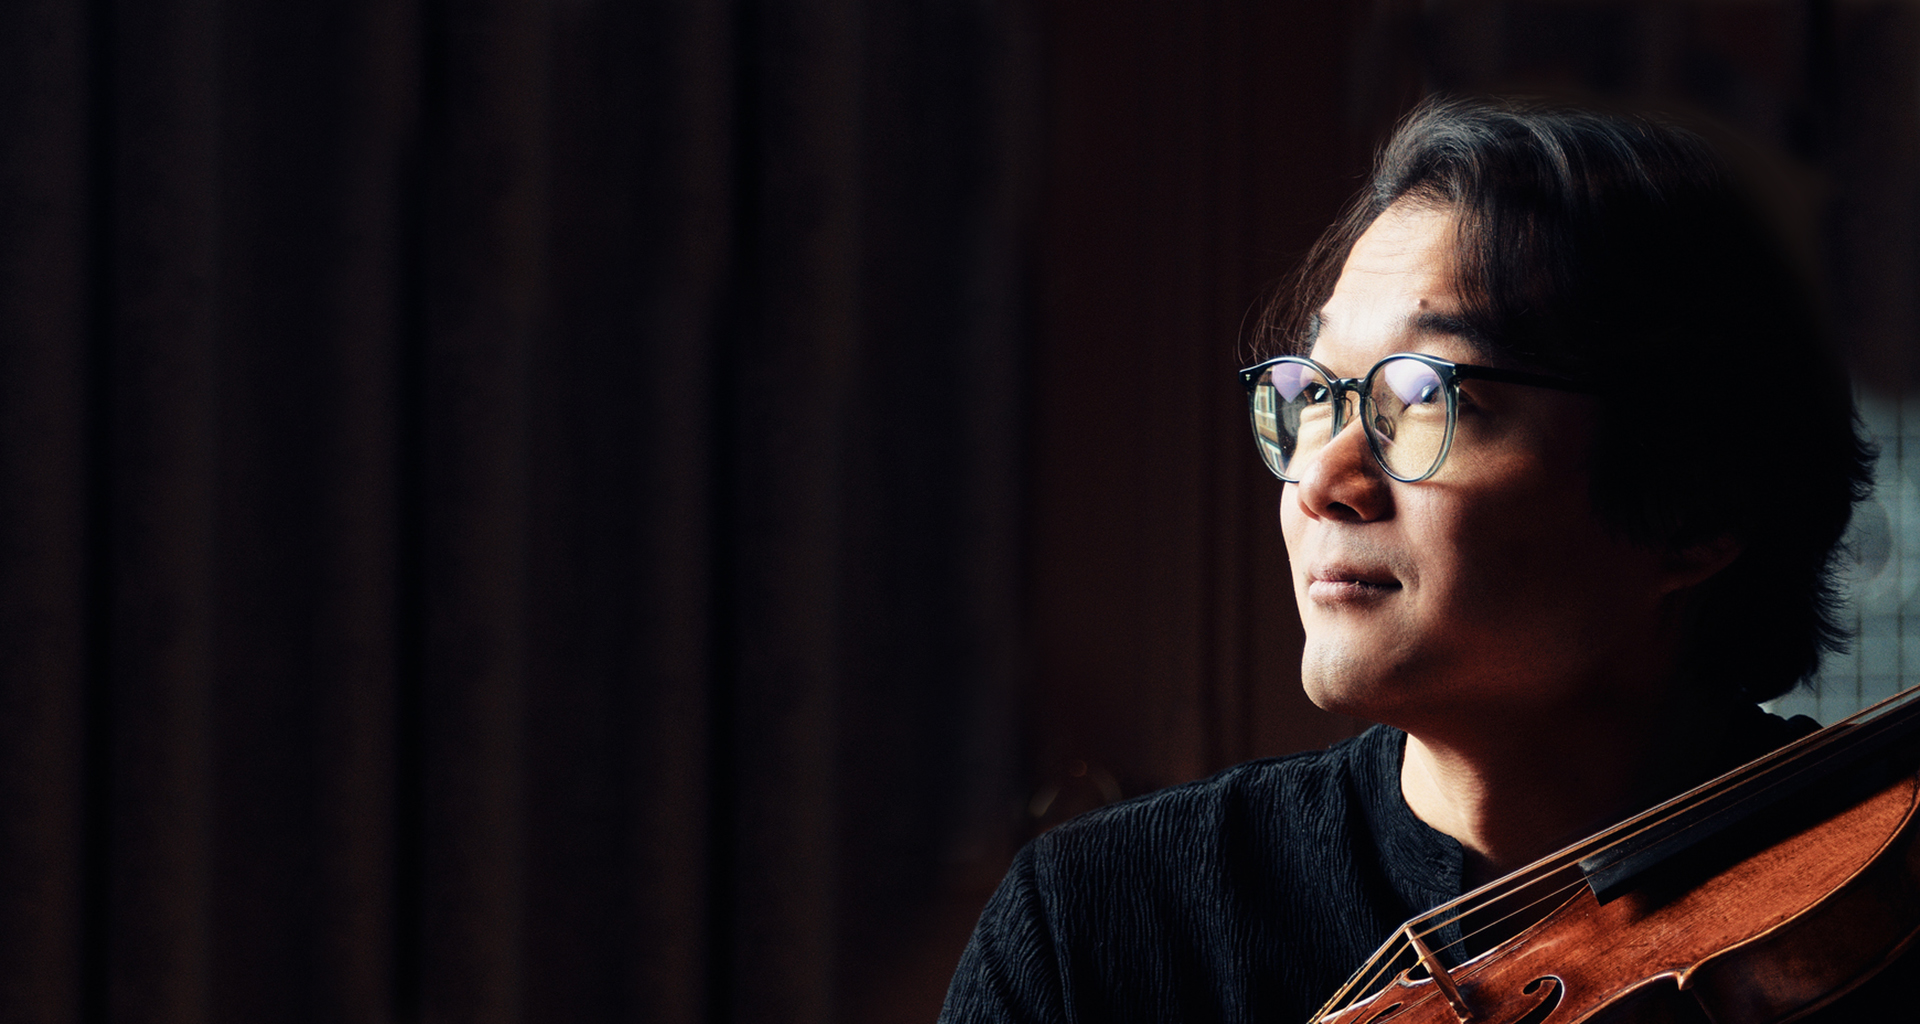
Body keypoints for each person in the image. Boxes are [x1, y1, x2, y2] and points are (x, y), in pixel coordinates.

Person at [937, 98, 1877, 1023]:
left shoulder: (1878, 921)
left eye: (1427, 396)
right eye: (1318, 395)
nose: (1320, 479)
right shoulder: (1094, 928)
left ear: (1693, 508)